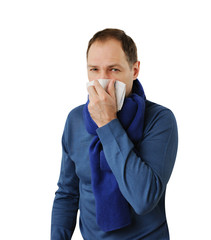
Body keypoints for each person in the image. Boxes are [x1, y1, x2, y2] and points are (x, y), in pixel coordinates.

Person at [51, 28, 178, 240]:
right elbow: (67, 194)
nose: (102, 80)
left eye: (114, 70)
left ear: (134, 70)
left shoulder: (160, 120)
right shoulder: (75, 120)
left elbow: (143, 199)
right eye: (94, 70)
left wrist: (108, 123)